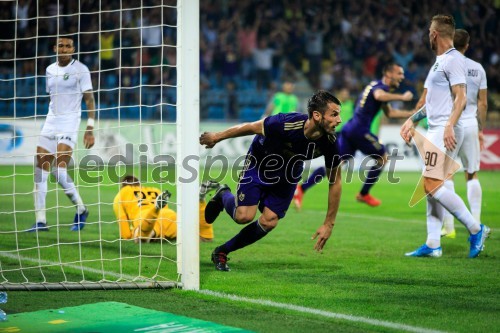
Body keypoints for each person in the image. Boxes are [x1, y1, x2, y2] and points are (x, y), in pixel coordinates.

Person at [199, 90, 343, 271]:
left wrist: (328, 224)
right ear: (316, 115)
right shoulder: (285, 123)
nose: (339, 120)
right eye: (334, 114)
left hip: (288, 174)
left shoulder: (330, 142)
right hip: (259, 164)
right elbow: (251, 127)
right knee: (243, 216)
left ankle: (222, 251)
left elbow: (335, 181)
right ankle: (222, 195)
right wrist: (217, 137)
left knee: (269, 221)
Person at [400, 15, 490, 258]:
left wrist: (450, 124)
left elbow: (460, 96)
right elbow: (432, 104)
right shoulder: (441, 62)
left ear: (435, 34)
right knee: (430, 185)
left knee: (432, 183)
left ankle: (475, 228)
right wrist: (412, 119)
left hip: (444, 129)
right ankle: (432, 244)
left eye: (430, 31)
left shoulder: (452, 61)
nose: (428, 35)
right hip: (437, 126)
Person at [29, 35, 96, 232]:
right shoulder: (49, 70)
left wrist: (90, 128)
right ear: (54, 49)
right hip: (51, 121)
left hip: (70, 122)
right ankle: (40, 221)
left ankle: (81, 209)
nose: (65, 49)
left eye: (68, 46)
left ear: (73, 49)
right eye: (61, 46)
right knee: (40, 170)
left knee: (59, 170)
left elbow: (90, 100)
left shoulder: (81, 70)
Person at [338, 62, 414, 207]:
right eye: (399, 73)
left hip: (350, 127)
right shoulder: (381, 88)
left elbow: (390, 112)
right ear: (389, 74)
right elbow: (379, 96)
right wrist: (402, 98)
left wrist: (410, 113)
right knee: (383, 157)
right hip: (359, 131)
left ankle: (301, 189)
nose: (402, 77)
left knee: (335, 165)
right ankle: (363, 193)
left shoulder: (375, 84)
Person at [113, 176, 219, 242]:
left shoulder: (122, 193)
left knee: (140, 238)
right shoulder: (154, 189)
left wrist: (131, 234)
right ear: (139, 184)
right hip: (170, 216)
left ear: (123, 186)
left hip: (145, 218)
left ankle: (155, 209)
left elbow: (125, 233)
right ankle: (200, 199)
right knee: (204, 238)